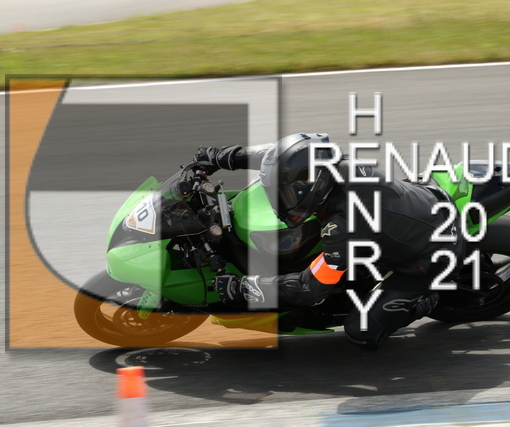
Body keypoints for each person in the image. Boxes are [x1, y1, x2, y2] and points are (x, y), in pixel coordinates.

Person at [194, 133, 465, 349]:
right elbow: (273, 157)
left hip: (433, 254)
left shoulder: (342, 225)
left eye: (288, 195)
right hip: (420, 203)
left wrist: (245, 287)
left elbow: (311, 287)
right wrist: (219, 157)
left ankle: (427, 298)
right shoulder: (326, 162)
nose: (281, 204)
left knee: (362, 332)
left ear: (315, 185)